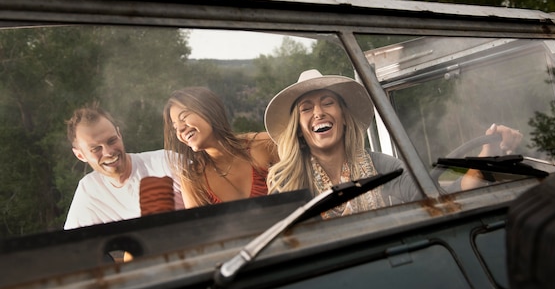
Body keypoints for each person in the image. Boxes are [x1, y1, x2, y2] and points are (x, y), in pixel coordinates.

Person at [264, 69, 420, 218]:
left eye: (327, 103)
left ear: (344, 117)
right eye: (306, 108)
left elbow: (432, 200)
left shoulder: (383, 167)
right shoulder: (287, 183)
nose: (318, 113)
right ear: (298, 129)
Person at [64, 104, 183, 230]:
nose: (108, 152)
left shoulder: (167, 163)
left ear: (119, 135)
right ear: (80, 155)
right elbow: (70, 245)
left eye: (112, 141)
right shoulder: (89, 191)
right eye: (96, 149)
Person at [163, 87, 278, 208]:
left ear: (209, 111)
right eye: (175, 127)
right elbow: (200, 226)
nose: (180, 129)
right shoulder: (193, 179)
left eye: (184, 117)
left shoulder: (263, 145)